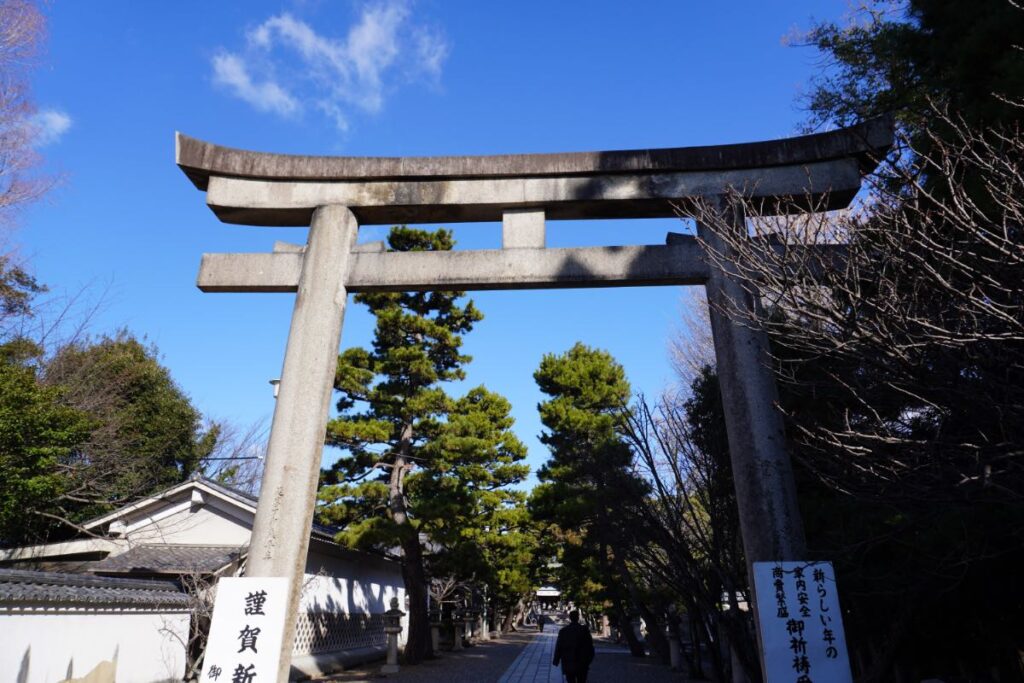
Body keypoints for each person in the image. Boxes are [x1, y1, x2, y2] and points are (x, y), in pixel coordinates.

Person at [552, 610, 595, 683]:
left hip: (568, 661)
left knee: (570, 680)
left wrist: (556, 659)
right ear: (578, 618)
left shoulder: (564, 631)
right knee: (582, 680)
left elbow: (559, 646)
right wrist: (589, 659)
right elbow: (590, 646)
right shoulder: (584, 630)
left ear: (570, 618)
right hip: (582, 662)